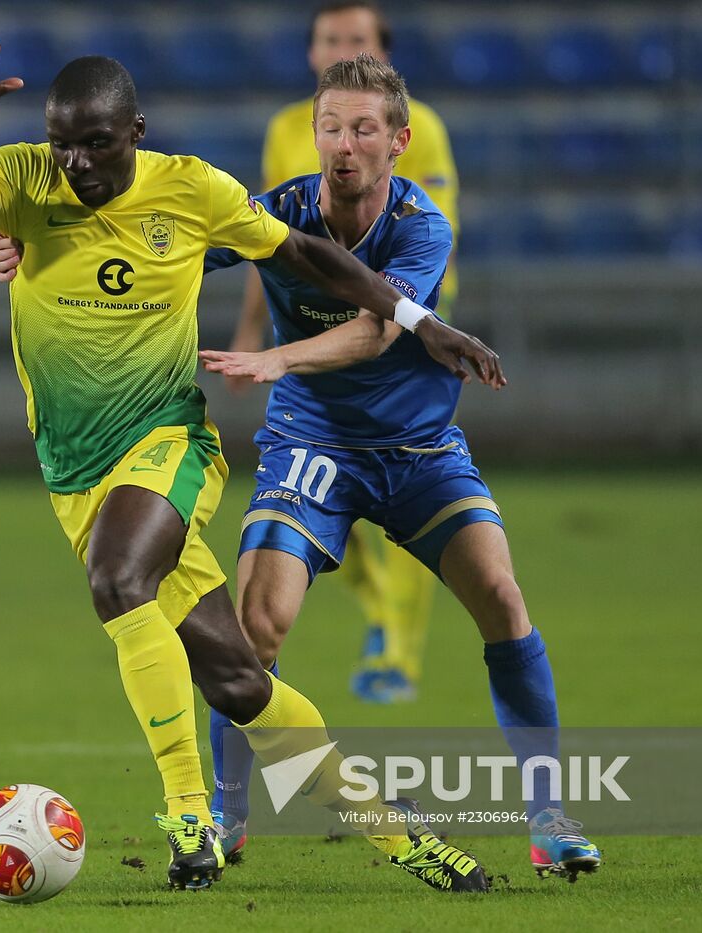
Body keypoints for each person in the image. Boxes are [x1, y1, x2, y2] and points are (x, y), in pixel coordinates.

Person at [0, 46, 501, 892]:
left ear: (134, 133)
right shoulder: (24, 179)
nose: (79, 163)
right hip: (74, 472)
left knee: (117, 577)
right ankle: (404, 839)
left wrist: (413, 316)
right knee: (241, 681)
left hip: (166, 441)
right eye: (64, 143)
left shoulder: (193, 190)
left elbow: (307, 257)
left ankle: (188, 814)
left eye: (98, 144)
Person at [246, 0, 464, 706]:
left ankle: (398, 647)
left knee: (400, 481)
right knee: (337, 496)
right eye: (330, 38)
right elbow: (270, 246)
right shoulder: (286, 131)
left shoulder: (419, 128)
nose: (343, 143)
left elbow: (415, 233)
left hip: (410, 315)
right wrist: (257, 335)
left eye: (357, 38)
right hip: (310, 321)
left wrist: (402, 310)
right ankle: (377, 617)